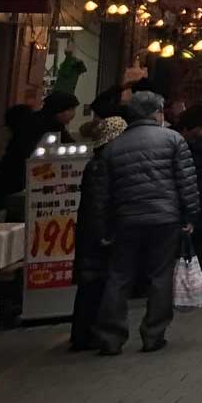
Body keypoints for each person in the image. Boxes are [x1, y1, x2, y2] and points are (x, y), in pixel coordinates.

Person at [93, 91, 199, 355]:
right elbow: (186, 182)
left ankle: (111, 336)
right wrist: (190, 216)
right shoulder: (174, 139)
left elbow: (102, 193)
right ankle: (153, 333)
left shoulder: (114, 147)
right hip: (166, 217)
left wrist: (104, 227)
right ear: (157, 112)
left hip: (126, 219)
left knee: (118, 276)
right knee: (160, 275)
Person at [69, 114, 127, 352]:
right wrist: (104, 233)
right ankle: (87, 334)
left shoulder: (99, 163)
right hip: (98, 234)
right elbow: (98, 204)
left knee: (93, 284)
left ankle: (85, 333)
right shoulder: (102, 166)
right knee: (94, 284)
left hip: (93, 232)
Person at [0, 91, 79, 208]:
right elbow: (24, 154)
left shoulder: (54, 125)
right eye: (71, 109)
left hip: (29, 182)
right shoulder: (38, 124)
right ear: (60, 109)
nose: (73, 114)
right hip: (17, 181)